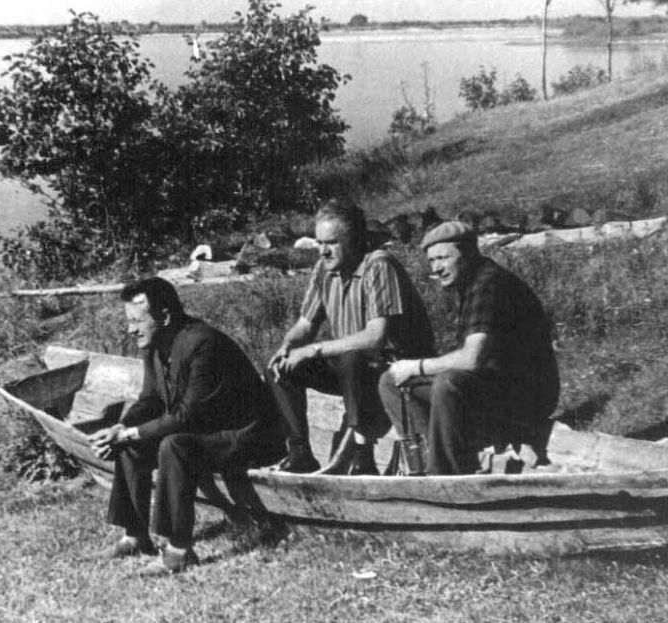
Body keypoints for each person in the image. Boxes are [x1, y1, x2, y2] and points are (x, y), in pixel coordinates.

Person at [90, 277, 285, 576]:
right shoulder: (155, 345)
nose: (131, 330)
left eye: (137, 321)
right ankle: (135, 535)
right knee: (129, 444)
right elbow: (150, 400)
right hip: (207, 432)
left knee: (174, 445)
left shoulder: (203, 344)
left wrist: (130, 433)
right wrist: (121, 427)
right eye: (129, 322)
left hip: (248, 437)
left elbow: (186, 417)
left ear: (165, 316)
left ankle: (179, 551)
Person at [267, 198, 435, 475]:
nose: (323, 251)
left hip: (391, 368)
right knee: (279, 367)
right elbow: (305, 325)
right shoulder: (324, 269)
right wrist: (288, 345)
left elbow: (375, 337)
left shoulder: (378, 265)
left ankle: (363, 456)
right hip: (353, 369)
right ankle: (299, 452)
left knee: (351, 359)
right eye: (319, 243)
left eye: (332, 243)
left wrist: (313, 349)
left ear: (354, 239)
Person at [379, 221, 559, 475]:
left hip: (528, 395)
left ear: (469, 254)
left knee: (448, 383)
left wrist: (416, 366)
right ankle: (428, 462)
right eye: (432, 261)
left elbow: (472, 359)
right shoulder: (470, 283)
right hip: (498, 385)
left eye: (443, 258)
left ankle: (444, 473)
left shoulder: (489, 284)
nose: (436, 268)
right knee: (391, 382)